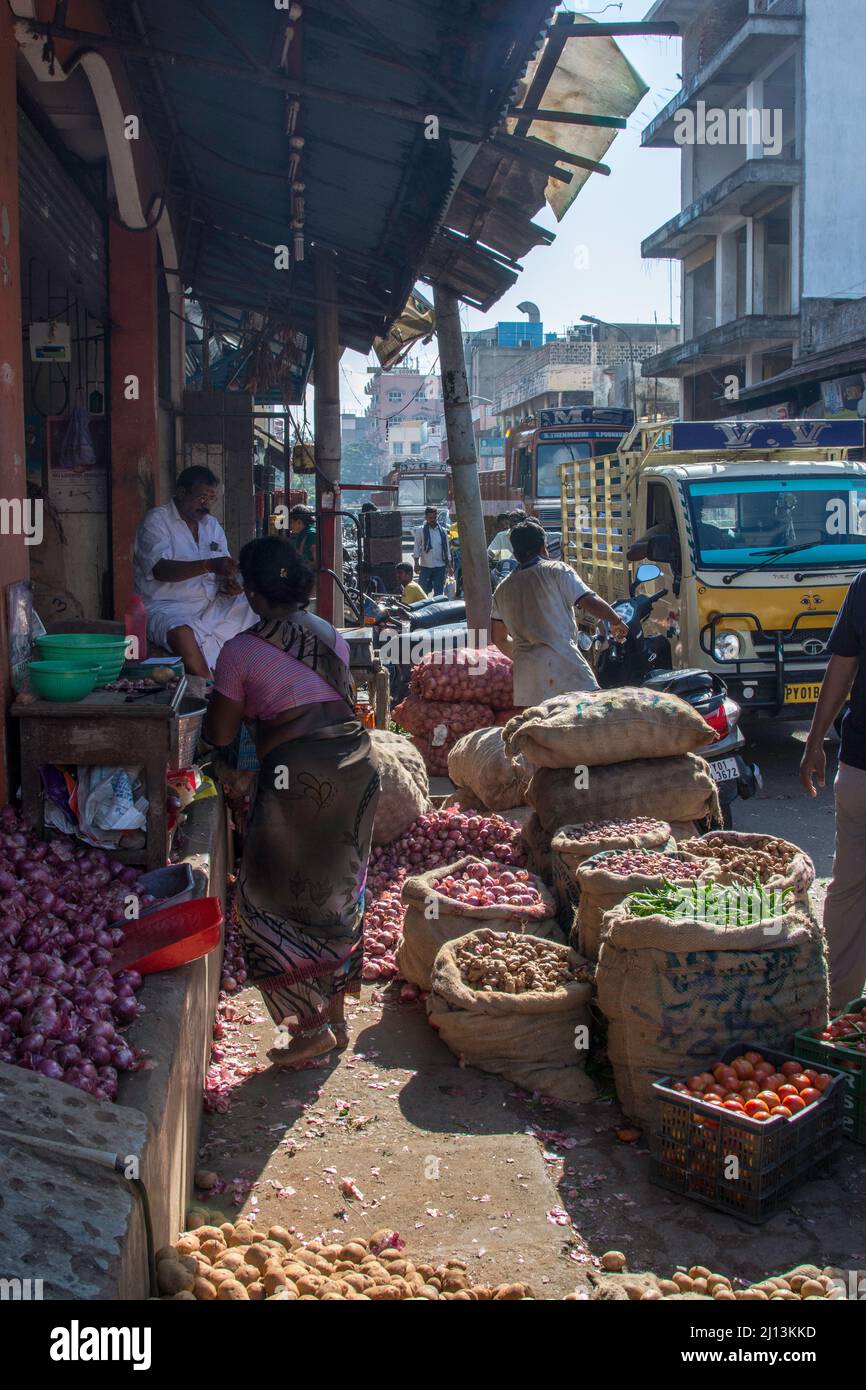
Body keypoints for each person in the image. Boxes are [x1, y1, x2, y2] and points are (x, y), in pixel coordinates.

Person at [202, 537, 380, 1067]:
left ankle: (307, 1028)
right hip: (357, 761)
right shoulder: (328, 633)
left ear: (254, 594)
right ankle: (336, 1013)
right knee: (338, 889)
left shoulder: (241, 650)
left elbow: (218, 730)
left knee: (266, 900)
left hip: (298, 776)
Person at [800, 571, 866, 1010]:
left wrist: (814, 742)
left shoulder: (864, 585)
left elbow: (841, 668)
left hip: (860, 765)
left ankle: (838, 1010)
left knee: (848, 887)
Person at [490, 519, 628, 709]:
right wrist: (616, 620)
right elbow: (590, 602)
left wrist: (528, 654)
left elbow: (498, 638)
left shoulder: (502, 589)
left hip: (527, 681)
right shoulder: (556, 570)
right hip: (565, 669)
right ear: (543, 547)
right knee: (589, 720)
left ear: (515, 553)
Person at [133, 465, 255, 679]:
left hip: (211, 603)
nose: (206, 505)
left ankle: (248, 677)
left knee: (257, 605)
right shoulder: (156, 521)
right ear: (181, 493)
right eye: (201, 498)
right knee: (182, 634)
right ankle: (212, 692)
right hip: (168, 607)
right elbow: (160, 569)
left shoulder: (212, 526)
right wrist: (208, 565)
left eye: (211, 499)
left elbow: (222, 571)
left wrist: (229, 584)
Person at [413, 505, 452, 595]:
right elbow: (416, 548)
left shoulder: (443, 531)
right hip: (426, 566)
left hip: (440, 566)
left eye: (434, 517)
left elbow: (447, 551)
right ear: (426, 517)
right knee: (423, 592)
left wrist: (450, 567)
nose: (432, 519)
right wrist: (416, 563)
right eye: (430, 517)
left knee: (439, 593)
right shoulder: (420, 531)